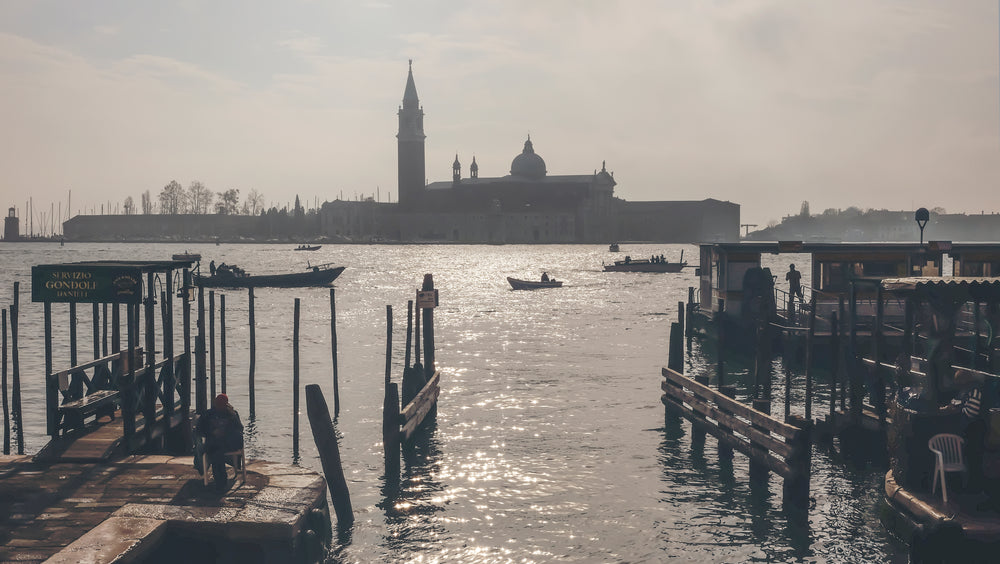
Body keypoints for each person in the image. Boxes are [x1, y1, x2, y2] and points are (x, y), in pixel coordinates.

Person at [196, 393, 244, 492]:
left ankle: (221, 481)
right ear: (215, 403)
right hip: (213, 441)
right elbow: (199, 430)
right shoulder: (208, 414)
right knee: (216, 452)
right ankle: (221, 481)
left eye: (222, 404)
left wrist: (225, 432)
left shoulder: (232, 414)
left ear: (226, 404)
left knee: (217, 453)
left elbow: (239, 429)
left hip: (228, 442)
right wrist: (212, 432)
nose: (220, 407)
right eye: (218, 404)